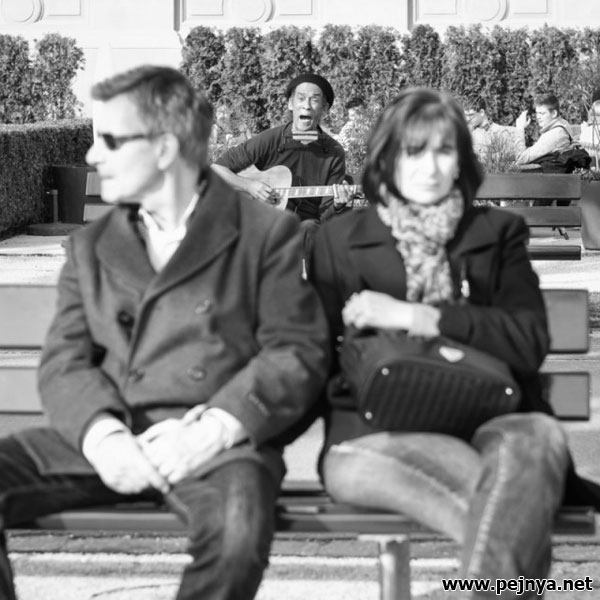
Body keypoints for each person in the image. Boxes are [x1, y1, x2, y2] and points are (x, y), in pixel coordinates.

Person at [0, 65, 330, 600]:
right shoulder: (92, 246)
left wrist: (212, 431)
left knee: (237, 528)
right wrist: (104, 437)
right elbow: (65, 362)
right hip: (112, 433)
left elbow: (295, 352)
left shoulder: (265, 233)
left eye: (110, 140)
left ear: (164, 148)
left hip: (217, 444)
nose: (92, 155)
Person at [309, 88, 600, 596]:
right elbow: (310, 352)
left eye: (444, 150)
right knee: (514, 505)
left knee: (535, 437)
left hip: (490, 421)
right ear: (386, 158)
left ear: (461, 159)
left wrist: (422, 317)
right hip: (374, 434)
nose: (430, 167)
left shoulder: (494, 232)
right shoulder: (341, 238)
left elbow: (528, 341)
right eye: (414, 151)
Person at [211, 73, 353, 258]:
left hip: (303, 229)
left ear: (324, 108)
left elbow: (325, 217)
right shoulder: (271, 139)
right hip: (260, 221)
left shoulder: (334, 152)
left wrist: (338, 205)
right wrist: (250, 186)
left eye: (314, 100)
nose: (306, 105)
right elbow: (217, 169)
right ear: (291, 104)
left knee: (311, 228)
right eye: (300, 98)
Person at [514, 92, 572, 167]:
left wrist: (520, 129)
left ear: (554, 113)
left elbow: (520, 159)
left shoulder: (553, 135)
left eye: (542, 113)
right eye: (537, 113)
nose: (538, 117)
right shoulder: (563, 124)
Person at [463, 97, 522, 163]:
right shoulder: (468, 133)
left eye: (471, 115)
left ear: (482, 112)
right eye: (466, 115)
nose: (468, 119)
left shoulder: (499, 132)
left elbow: (510, 156)